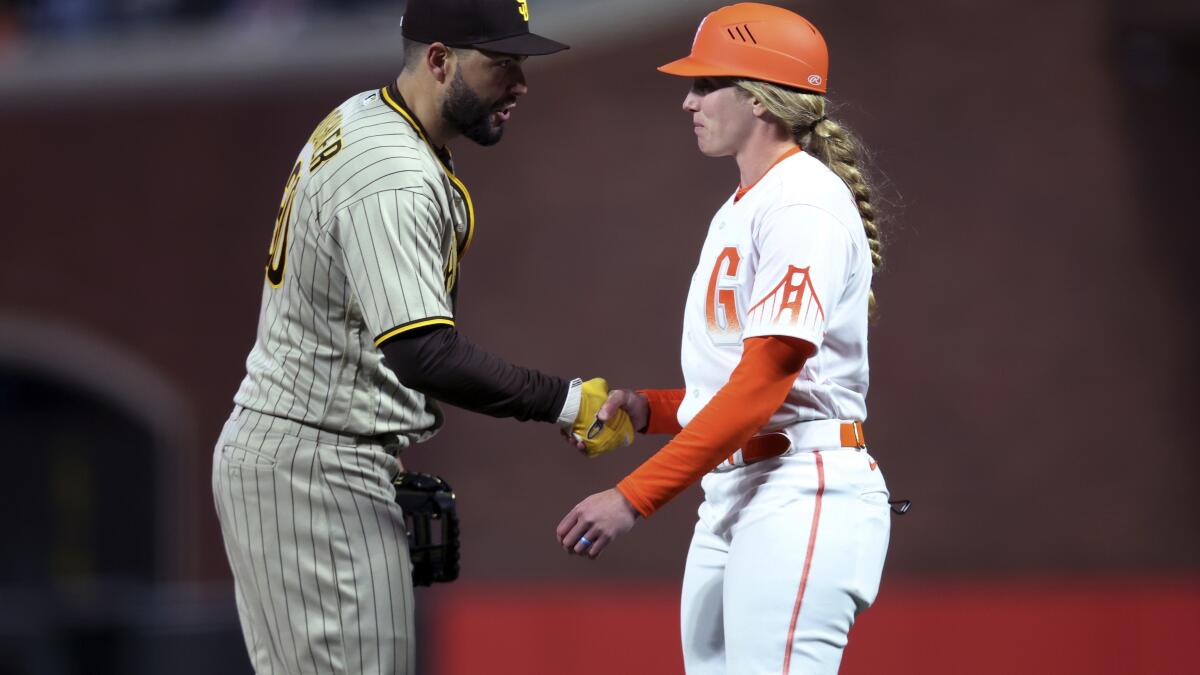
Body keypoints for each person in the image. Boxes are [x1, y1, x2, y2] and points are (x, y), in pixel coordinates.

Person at [211, 1, 631, 673]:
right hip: (315, 460)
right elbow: (422, 352)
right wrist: (565, 400)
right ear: (440, 60)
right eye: (501, 64)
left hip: (307, 448)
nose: (520, 83)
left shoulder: (367, 114)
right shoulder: (394, 173)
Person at [555, 4, 892, 673]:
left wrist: (633, 495)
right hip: (739, 488)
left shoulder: (801, 202)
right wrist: (651, 407)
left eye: (707, 83)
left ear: (763, 97)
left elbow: (764, 385)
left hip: (802, 487)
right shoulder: (746, 203)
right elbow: (735, 389)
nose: (688, 100)